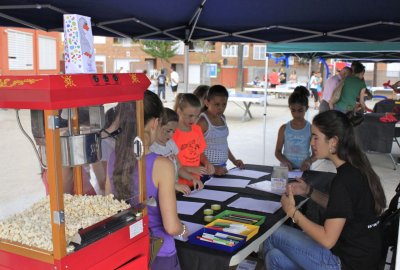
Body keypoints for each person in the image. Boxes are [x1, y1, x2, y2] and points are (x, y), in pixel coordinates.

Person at [264, 110, 386, 270]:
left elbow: (327, 239)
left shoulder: (344, 180)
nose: (311, 143)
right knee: (274, 258)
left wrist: (292, 212)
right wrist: (309, 191)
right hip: (362, 258)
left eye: (316, 137)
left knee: (271, 233)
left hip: (344, 263)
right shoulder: (356, 168)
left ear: (333, 142)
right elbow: (341, 208)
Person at [105, 91, 187, 270]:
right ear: (155, 122)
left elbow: (108, 207)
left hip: (126, 250)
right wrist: (183, 230)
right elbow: (172, 227)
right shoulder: (162, 165)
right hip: (159, 254)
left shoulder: (113, 157)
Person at [150, 108, 204, 194]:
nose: (171, 135)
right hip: (159, 194)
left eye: (173, 131)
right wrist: (174, 185)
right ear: (156, 125)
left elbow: (179, 168)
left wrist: (192, 178)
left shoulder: (171, 144)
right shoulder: (151, 148)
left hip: (174, 192)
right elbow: (152, 177)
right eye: (168, 131)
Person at [197, 85, 244, 176]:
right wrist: (213, 168)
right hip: (205, 172)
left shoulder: (222, 118)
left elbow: (223, 143)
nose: (221, 108)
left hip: (221, 168)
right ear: (207, 103)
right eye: (217, 104)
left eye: (224, 104)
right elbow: (194, 150)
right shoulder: (202, 122)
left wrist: (234, 160)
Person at [172, 93, 215, 187]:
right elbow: (171, 163)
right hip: (178, 186)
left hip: (195, 183)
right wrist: (191, 169)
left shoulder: (197, 130)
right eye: (190, 116)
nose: (194, 119)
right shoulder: (172, 133)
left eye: (197, 116)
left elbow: (200, 153)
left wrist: (206, 162)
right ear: (179, 111)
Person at [275, 86, 315, 171]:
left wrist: (308, 162)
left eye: (300, 110)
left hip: (304, 170)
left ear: (306, 108)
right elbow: (277, 152)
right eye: (293, 110)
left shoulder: (311, 129)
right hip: (286, 170)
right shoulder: (284, 128)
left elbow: (316, 154)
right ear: (289, 108)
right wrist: (285, 162)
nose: (296, 114)